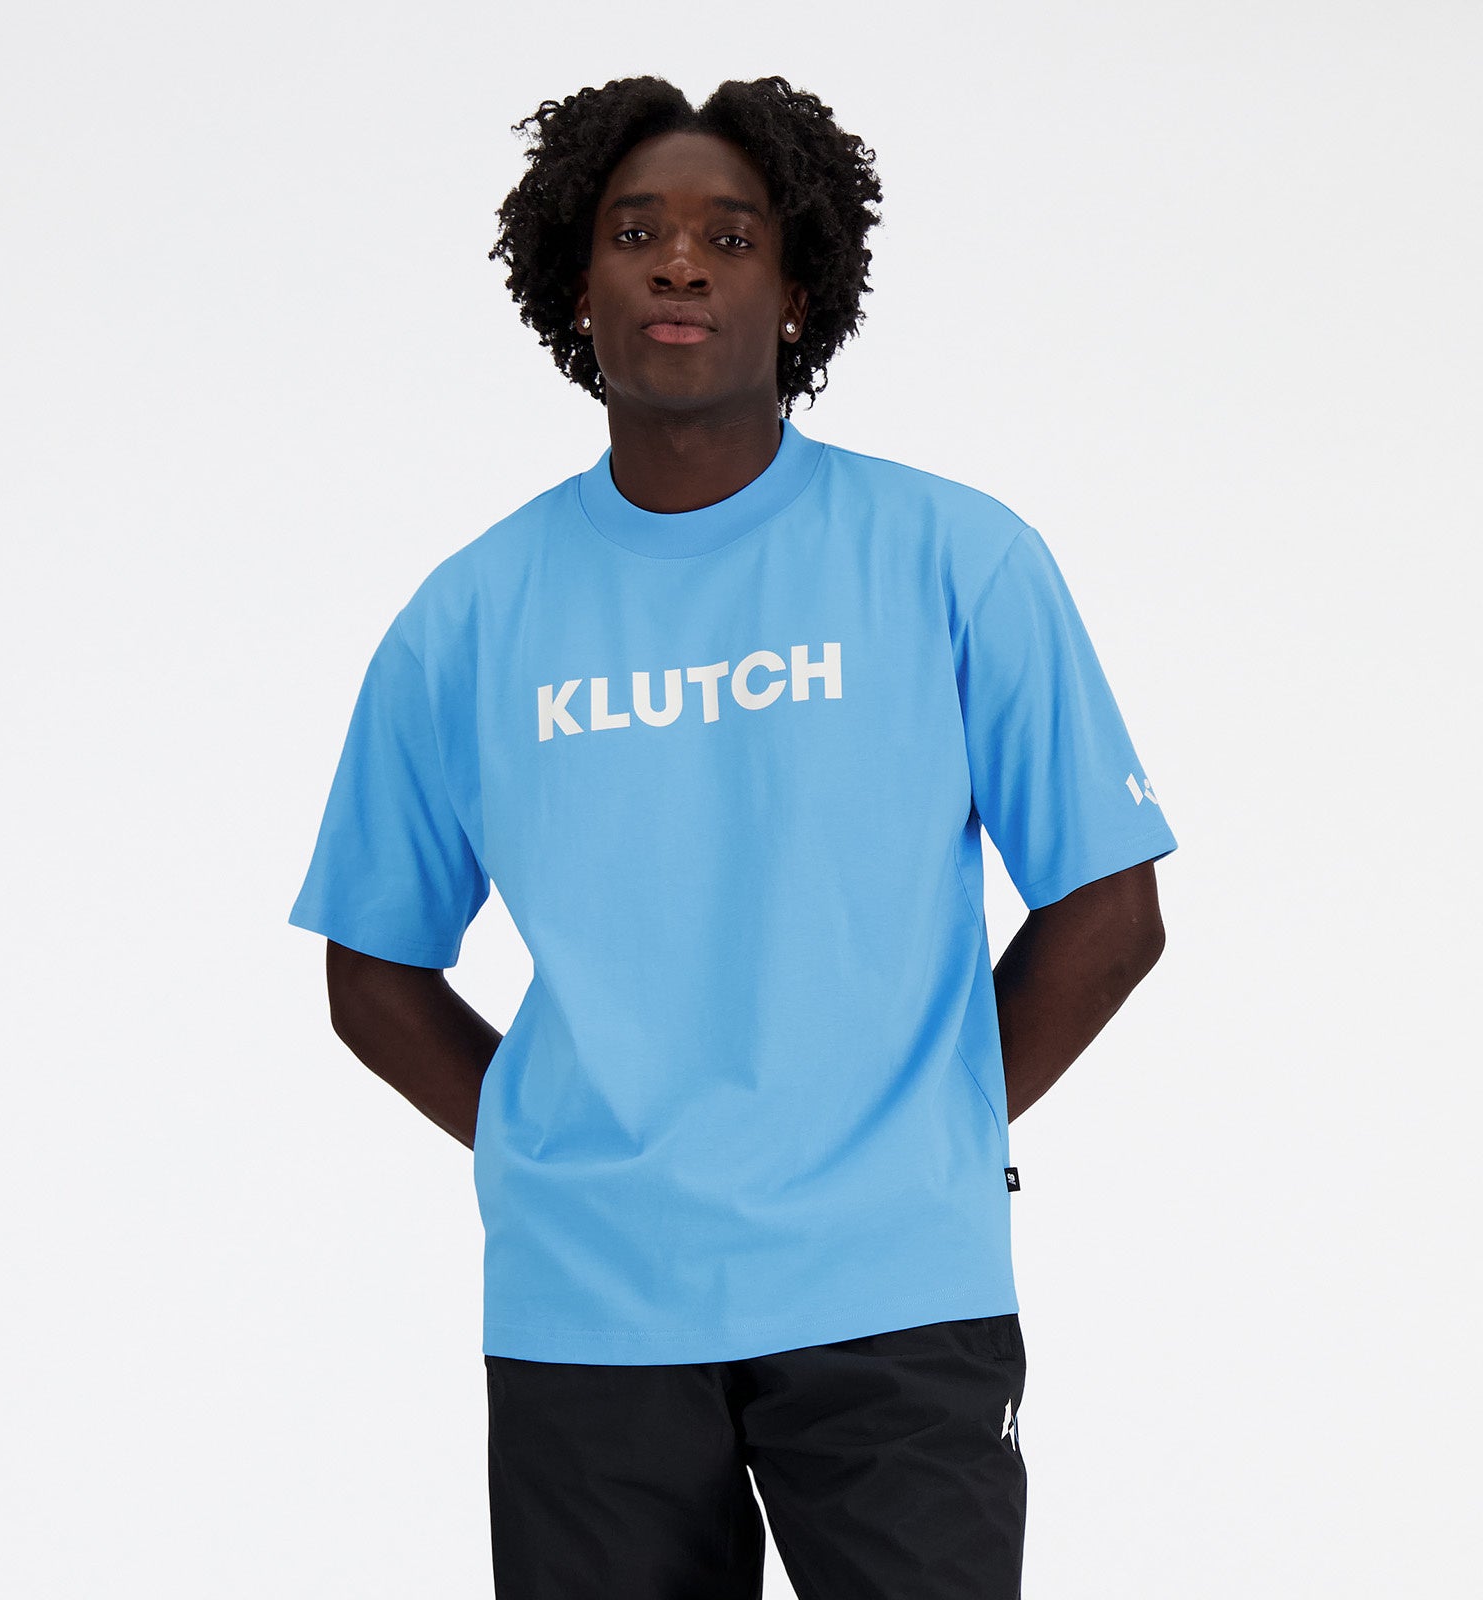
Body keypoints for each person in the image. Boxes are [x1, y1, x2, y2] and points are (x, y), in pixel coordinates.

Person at [288, 74, 1177, 1600]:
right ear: (577, 286)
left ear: (798, 287)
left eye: (730, 236)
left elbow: (1110, 909)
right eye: (637, 234)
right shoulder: (470, 616)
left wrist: (921, 1135)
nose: (681, 267)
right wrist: (563, 1164)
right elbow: (373, 967)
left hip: (893, 1294)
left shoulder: (954, 557)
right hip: (588, 1313)